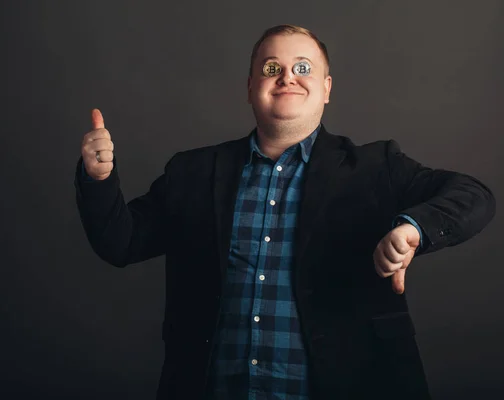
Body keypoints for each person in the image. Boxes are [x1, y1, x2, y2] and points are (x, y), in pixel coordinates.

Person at [74, 24, 495, 400]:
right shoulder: (193, 171)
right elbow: (121, 241)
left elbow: (474, 195)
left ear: (327, 88)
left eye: (303, 68)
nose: (288, 76)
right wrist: (98, 179)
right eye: (272, 68)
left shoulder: (376, 166)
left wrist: (414, 229)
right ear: (251, 85)